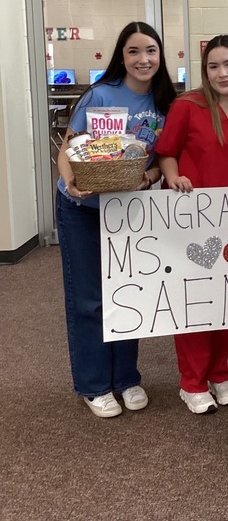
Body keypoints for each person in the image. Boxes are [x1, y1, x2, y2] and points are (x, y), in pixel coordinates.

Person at [55, 21, 176, 418]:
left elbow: (160, 163)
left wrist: (148, 177)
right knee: (89, 300)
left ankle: (126, 377)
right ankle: (94, 385)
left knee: (129, 293)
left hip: (130, 211)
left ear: (160, 56)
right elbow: (68, 148)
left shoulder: (165, 104)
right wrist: (71, 183)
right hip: (83, 211)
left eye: (151, 51)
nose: (143, 59)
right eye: (134, 51)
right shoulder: (99, 94)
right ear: (121, 56)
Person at [155, 35, 228, 415]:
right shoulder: (187, 106)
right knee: (193, 303)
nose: (222, 73)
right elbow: (168, 153)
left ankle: (220, 372)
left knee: (227, 299)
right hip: (190, 219)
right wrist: (172, 178)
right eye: (213, 66)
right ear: (205, 71)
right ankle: (191, 382)